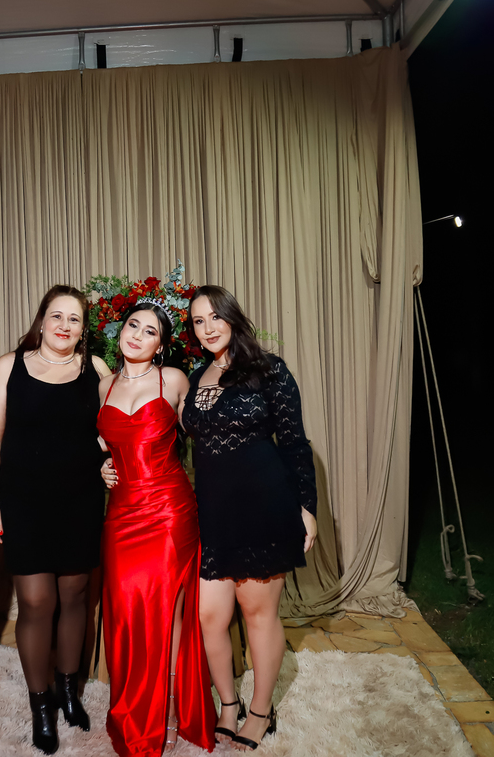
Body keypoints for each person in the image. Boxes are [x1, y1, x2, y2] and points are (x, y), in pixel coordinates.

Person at [102, 286, 318, 752]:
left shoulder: (269, 370)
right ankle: (227, 705)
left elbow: (295, 444)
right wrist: (108, 462)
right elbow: (152, 434)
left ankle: (260, 711)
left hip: (264, 509)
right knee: (208, 617)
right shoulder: (195, 377)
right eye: (198, 321)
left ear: (232, 318)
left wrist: (307, 507)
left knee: (257, 615)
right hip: (212, 512)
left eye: (215, 316)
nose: (208, 327)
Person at [0, 285, 112, 755]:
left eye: (74, 319)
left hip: (80, 499)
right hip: (23, 502)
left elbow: (113, 430)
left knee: (76, 596)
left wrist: (108, 460)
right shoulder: (8, 367)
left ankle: (68, 692)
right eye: (57, 316)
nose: (64, 325)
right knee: (36, 602)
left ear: (83, 329)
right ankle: (41, 707)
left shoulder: (96, 370)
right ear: (41, 319)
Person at [96, 300, 216, 756]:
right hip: (121, 515)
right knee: (127, 612)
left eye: (150, 332)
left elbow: (207, 435)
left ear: (161, 346)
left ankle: (168, 709)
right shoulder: (104, 385)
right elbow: (102, 443)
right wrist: (101, 465)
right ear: (121, 330)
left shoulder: (175, 380)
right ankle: (134, 710)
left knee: (166, 611)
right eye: (133, 325)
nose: (138, 336)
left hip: (168, 511)